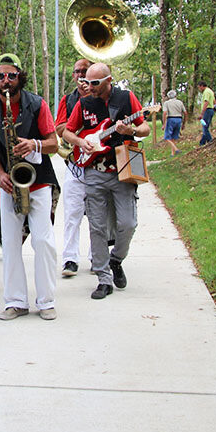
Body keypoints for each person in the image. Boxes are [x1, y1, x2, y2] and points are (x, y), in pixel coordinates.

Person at [0, 52, 60, 321]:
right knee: (11, 244)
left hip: (38, 180)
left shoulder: (37, 104)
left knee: (43, 240)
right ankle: (16, 300)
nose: (6, 81)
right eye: (0, 76)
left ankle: (46, 301)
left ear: (20, 77)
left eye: (11, 76)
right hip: (9, 183)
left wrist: (34, 144)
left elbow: (54, 144)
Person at [63, 62, 150, 300]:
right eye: (86, 82)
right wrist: (81, 143)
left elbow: (146, 128)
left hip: (122, 170)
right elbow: (67, 132)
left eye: (94, 83)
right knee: (97, 227)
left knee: (128, 223)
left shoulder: (126, 98)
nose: (88, 87)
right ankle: (103, 278)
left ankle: (116, 259)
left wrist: (129, 130)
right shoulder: (83, 103)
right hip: (94, 172)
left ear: (108, 81)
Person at [55, 57, 92, 278]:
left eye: (85, 71)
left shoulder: (103, 97)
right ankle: (70, 258)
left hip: (100, 165)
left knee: (99, 215)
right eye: (77, 72)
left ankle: (97, 258)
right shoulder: (68, 100)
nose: (81, 75)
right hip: (75, 163)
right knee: (72, 212)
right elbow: (59, 128)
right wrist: (75, 130)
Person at [161, 89, 186, 156]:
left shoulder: (166, 103)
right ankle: (173, 153)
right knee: (174, 137)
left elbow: (165, 113)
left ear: (168, 96)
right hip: (179, 119)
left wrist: (164, 124)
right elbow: (185, 112)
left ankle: (176, 149)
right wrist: (184, 123)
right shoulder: (180, 102)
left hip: (171, 119)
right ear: (175, 95)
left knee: (166, 137)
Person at [197, 80, 216, 146]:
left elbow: (206, 102)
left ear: (202, 86)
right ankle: (202, 142)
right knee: (205, 126)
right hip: (210, 110)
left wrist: (202, 113)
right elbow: (214, 101)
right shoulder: (210, 91)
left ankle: (210, 141)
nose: (199, 89)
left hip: (207, 110)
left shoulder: (206, 92)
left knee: (205, 127)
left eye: (199, 87)